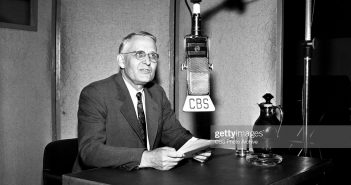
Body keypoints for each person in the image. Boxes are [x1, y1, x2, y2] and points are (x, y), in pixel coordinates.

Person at [73, 31, 211, 172]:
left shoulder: (157, 93)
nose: (147, 61)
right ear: (121, 61)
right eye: (140, 54)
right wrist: (146, 158)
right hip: (98, 178)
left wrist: (195, 146)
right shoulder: (96, 93)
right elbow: (90, 152)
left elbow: (174, 133)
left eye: (153, 56)